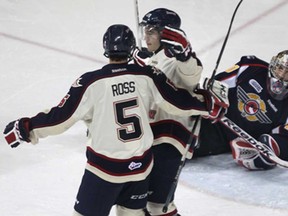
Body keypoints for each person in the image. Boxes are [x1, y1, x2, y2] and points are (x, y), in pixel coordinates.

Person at [3, 24, 228, 216]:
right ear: (132, 49)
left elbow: (60, 118)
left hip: (104, 172)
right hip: (140, 170)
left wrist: (26, 128)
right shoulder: (148, 75)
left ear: (105, 48)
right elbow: (177, 101)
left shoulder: (90, 82)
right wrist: (207, 104)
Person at [133, 8, 204, 216]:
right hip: (148, 140)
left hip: (170, 142)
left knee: (158, 206)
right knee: (140, 205)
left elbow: (192, 74)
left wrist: (185, 54)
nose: (146, 37)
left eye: (152, 31)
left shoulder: (178, 61)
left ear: (167, 34)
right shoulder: (152, 59)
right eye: (145, 30)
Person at [194, 50, 288, 171]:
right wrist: (210, 98)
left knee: (181, 144)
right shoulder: (250, 67)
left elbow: (283, 138)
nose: (281, 75)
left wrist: (271, 148)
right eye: (280, 68)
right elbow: (215, 85)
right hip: (213, 120)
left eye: (287, 73)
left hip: (222, 139)